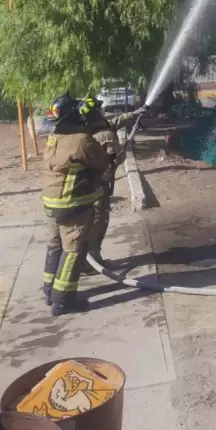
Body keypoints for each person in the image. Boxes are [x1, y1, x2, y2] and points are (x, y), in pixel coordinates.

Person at [42, 93, 111, 315]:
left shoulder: (53, 137)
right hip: (72, 205)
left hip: (51, 204)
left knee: (55, 245)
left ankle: (49, 290)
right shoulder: (82, 140)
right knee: (73, 250)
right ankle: (63, 301)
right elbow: (102, 163)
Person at [78, 93, 136, 266]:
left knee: (85, 223)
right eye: (100, 110)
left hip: (82, 188)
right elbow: (114, 163)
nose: (104, 112)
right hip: (97, 189)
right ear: (95, 114)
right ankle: (92, 262)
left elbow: (113, 123)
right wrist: (123, 149)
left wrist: (133, 114)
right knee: (99, 220)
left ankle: (85, 260)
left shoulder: (85, 131)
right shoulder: (105, 136)